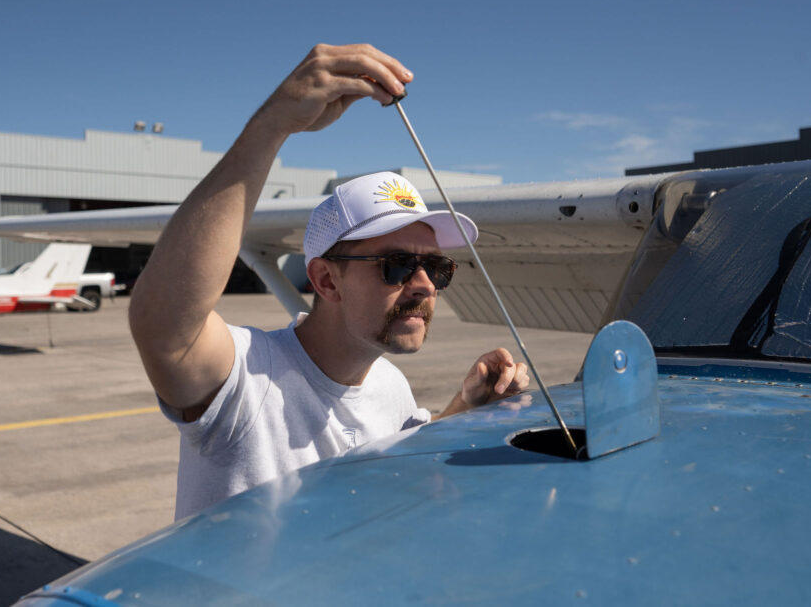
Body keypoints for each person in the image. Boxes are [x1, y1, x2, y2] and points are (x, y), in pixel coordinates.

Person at [129, 43, 529, 519]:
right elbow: (166, 327)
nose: (424, 285)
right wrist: (273, 124)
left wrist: (468, 403)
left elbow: (402, 463)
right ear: (325, 280)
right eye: (397, 264)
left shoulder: (390, 385)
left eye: (437, 269)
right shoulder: (246, 379)